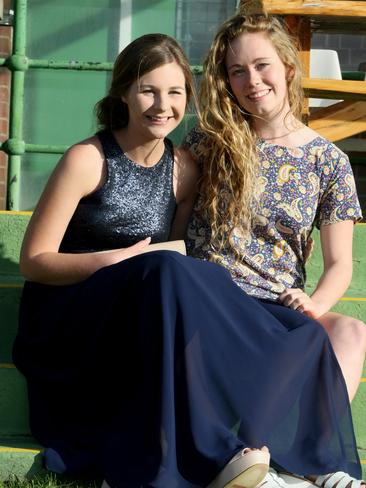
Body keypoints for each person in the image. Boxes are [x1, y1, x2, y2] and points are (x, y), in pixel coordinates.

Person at [12, 33, 273, 488]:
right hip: (67, 323)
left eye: (174, 92)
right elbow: (34, 261)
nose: (162, 105)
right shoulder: (87, 159)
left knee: (187, 278)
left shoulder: (184, 168)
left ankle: (208, 449)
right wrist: (114, 260)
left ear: (187, 98)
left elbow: (166, 266)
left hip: (134, 321)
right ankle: (212, 450)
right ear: (123, 93)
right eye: (148, 90)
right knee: (165, 269)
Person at [183, 9, 366, 488]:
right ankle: (262, 459)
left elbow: (341, 263)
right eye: (237, 71)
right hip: (216, 300)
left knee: (349, 331)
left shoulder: (329, 160)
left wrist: (316, 303)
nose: (251, 80)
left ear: (287, 67)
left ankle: (316, 463)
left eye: (261, 65)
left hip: (280, 308)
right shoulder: (210, 142)